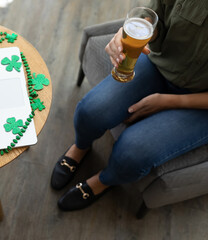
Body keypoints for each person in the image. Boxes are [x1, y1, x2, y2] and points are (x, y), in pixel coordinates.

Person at [50, 0, 208, 211]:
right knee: (91, 112)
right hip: (162, 66)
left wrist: (167, 101)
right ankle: (81, 146)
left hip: (202, 106)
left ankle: (104, 180)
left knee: (131, 156)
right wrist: (130, 32)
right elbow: (155, 14)